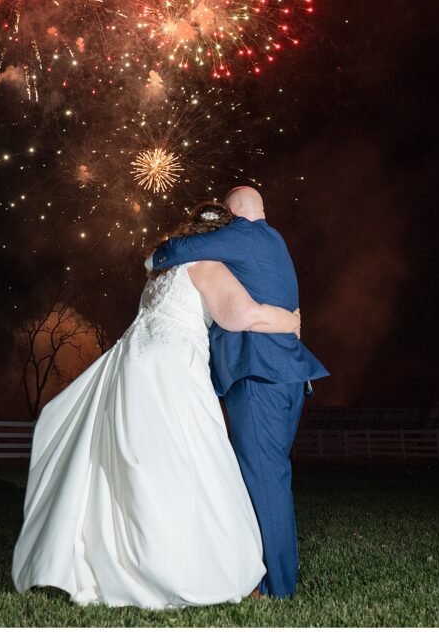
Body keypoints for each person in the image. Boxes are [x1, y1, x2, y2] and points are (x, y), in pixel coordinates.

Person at [12, 202, 301, 609]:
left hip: (130, 362)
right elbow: (242, 315)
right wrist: (289, 321)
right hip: (172, 364)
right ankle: (173, 567)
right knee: (184, 461)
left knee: (133, 461)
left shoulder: (161, 269)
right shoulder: (208, 264)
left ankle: (115, 559)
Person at [148, 186, 329, 598]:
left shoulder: (244, 234)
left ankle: (276, 587)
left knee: (265, 479)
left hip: (258, 374)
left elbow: (181, 248)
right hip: (289, 375)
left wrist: (152, 258)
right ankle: (268, 573)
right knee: (271, 474)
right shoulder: (275, 240)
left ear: (232, 212)